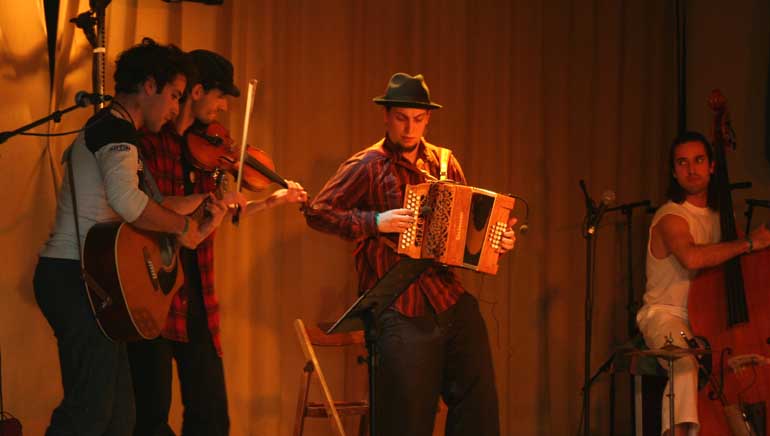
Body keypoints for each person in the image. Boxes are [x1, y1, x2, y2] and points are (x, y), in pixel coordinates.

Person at [304, 72, 516, 436]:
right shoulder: (369, 164)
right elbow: (318, 212)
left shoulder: (445, 163)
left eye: (417, 119)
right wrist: (376, 221)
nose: (409, 128)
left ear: (428, 119)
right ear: (386, 116)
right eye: (402, 118)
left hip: (448, 297)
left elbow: (466, 230)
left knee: (478, 405)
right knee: (407, 417)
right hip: (399, 305)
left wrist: (496, 240)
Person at [34, 38, 221, 436]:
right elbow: (128, 202)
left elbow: (150, 201)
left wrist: (204, 202)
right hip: (76, 277)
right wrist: (184, 228)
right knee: (89, 414)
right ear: (149, 86)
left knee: (120, 420)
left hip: (89, 280)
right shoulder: (114, 129)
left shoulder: (115, 130)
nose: (176, 109)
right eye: (174, 96)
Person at [127, 49, 308, 436]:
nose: (224, 108)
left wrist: (270, 199)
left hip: (197, 297)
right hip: (155, 291)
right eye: (219, 96)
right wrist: (210, 203)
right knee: (150, 418)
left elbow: (217, 217)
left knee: (211, 416)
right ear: (195, 92)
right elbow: (154, 213)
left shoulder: (207, 155)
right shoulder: (150, 144)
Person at [636, 131, 770, 436]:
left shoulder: (722, 217)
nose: (691, 169)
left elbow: (741, 262)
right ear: (674, 171)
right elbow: (692, 259)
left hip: (713, 318)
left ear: (712, 166)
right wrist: (748, 243)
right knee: (685, 364)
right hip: (668, 314)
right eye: (682, 162)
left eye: (698, 160)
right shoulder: (671, 217)